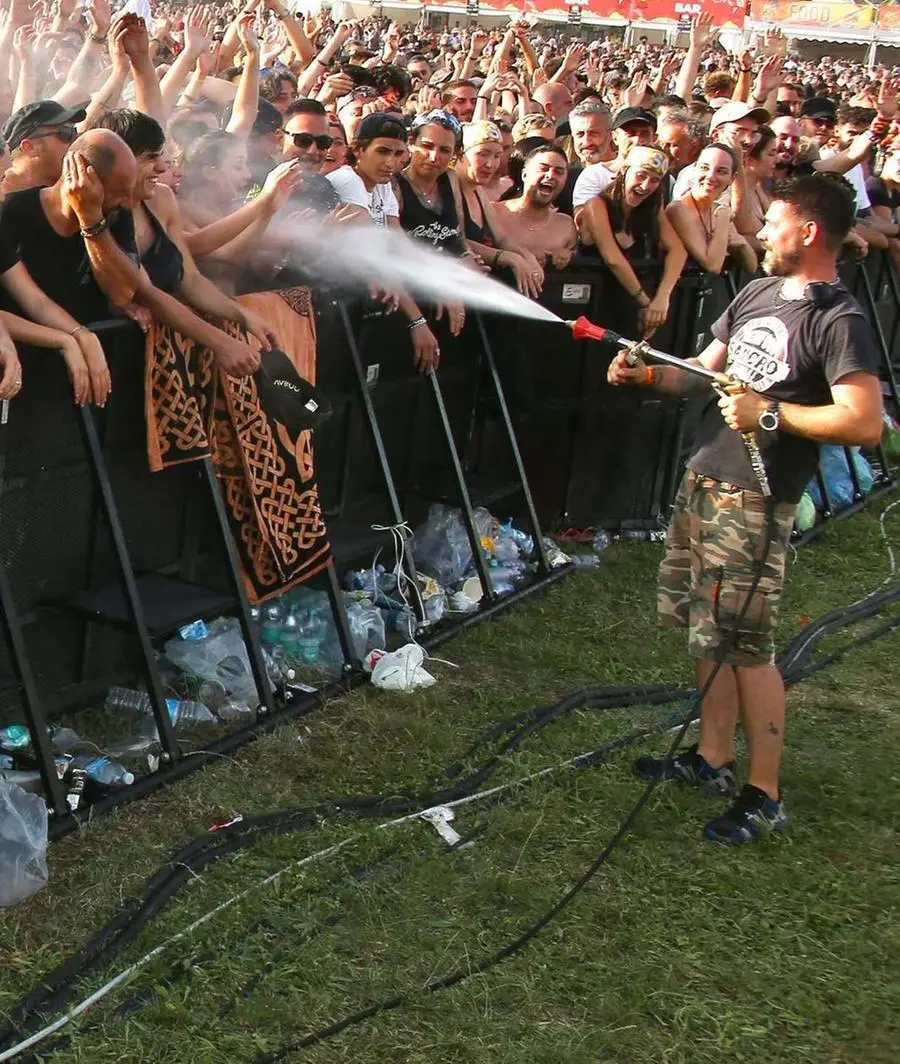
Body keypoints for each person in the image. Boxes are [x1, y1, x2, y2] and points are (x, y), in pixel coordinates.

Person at [609, 173, 883, 843]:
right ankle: (713, 758)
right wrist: (647, 373)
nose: (758, 231)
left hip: (759, 497)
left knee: (747, 645)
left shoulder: (836, 319)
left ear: (809, 232)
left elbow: (864, 422)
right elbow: (702, 369)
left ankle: (765, 792)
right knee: (709, 628)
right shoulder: (758, 291)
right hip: (706, 477)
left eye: (772, 222)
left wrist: (772, 415)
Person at [326, 113, 439, 372]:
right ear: (359, 150)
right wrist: (416, 321)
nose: (391, 162)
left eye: (398, 154)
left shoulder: (382, 185)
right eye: (383, 151)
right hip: (341, 300)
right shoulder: (347, 180)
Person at [578, 144, 686, 338]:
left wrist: (662, 298)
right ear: (624, 172)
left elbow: (678, 250)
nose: (645, 186)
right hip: (596, 307)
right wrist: (647, 303)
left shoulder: (653, 209)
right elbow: (613, 258)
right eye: (641, 175)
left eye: (654, 180)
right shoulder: (597, 205)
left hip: (632, 310)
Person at [666, 143, 756, 275]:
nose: (711, 176)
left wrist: (742, 245)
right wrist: (724, 220)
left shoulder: (718, 210)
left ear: (732, 178)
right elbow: (712, 265)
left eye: (721, 171)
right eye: (704, 168)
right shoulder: (678, 209)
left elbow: (751, 267)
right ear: (694, 169)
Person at [493, 144, 576, 271]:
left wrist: (569, 256)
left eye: (559, 172)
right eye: (543, 169)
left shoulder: (567, 225)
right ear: (524, 175)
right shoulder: (494, 212)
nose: (550, 175)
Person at [1, 100, 87, 195]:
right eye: (66, 133)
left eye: (74, 131)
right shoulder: (4, 202)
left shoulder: (74, 190)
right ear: (29, 147)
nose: (76, 140)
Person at [736, 126, 777, 253]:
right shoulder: (734, 194)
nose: (777, 159)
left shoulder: (759, 188)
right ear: (749, 160)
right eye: (771, 154)